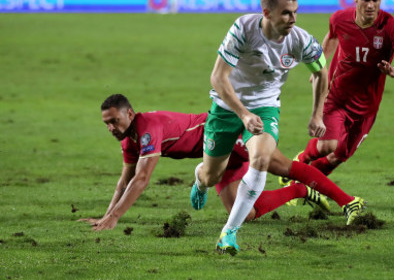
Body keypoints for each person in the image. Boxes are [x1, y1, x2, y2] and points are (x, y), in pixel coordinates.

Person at [190, 0, 365, 255]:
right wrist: (243, 113)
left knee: (260, 159)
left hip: (265, 108)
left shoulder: (301, 40)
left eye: (295, 12)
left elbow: (321, 73)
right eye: (285, 13)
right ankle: (199, 181)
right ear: (267, 13)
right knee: (212, 175)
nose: (293, 19)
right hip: (227, 107)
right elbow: (218, 77)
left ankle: (229, 233)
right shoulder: (243, 29)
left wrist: (317, 114)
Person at [79, 94, 331, 231]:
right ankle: (299, 190)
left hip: (223, 135)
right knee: (246, 215)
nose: (111, 127)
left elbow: (142, 179)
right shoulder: (128, 140)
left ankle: (346, 201)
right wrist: (106, 216)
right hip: (214, 155)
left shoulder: (146, 130)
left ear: (130, 114)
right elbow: (124, 181)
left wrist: (115, 217)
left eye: (115, 121)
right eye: (107, 123)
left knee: (282, 165)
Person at [287, 0, 394, 178]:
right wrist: (320, 67)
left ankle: (302, 183)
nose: (371, 5)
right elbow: (331, 38)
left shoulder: (391, 27)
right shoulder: (340, 19)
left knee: (339, 155)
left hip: (367, 107)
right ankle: (301, 161)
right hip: (337, 96)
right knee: (327, 146)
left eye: (376, 0)